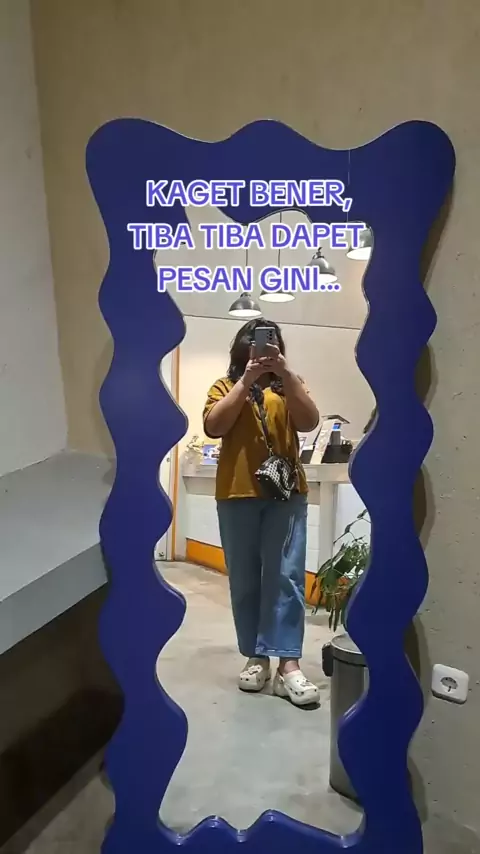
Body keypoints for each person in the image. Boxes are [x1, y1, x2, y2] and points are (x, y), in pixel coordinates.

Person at [203, 318, 321, 707]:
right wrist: (246, 380)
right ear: (242, 347)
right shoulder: (225, 386)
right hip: (235, 493)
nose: (263, 347)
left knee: (287, 576)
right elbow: (214, 426)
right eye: (255, 342)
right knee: (245, 579)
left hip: (286, 493)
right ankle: (257, 657)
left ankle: (289, 665)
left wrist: (285, 374)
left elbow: (309, 422)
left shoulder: (290, 384)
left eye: (272, 342)